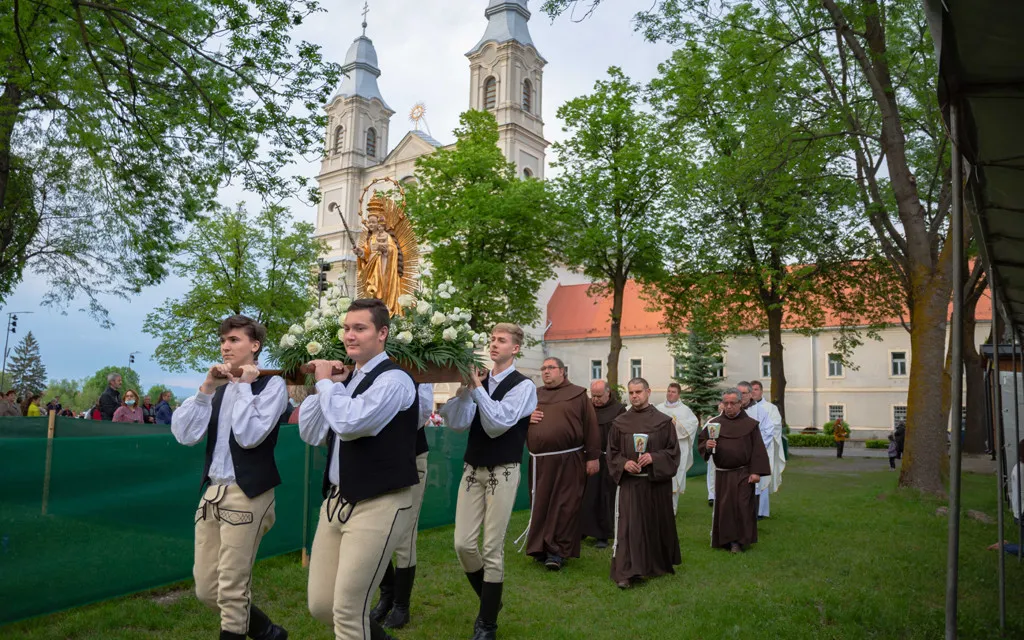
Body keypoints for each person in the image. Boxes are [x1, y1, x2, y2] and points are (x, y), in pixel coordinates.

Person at [299, 298, 419, 640]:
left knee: (348, 611)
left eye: (360, 328)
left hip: (379, 502)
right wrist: (327, 385)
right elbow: (311, 432)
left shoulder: (394, 380)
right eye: (347, 328)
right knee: (322, 606)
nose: (350, 336)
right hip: (337, 500)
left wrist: (326, 384)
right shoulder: (347, 380)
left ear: (382, 333)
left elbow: (351, 424)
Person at [172, 315, 289, 640]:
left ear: (255, 345)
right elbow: (185, 434)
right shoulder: (218, 386)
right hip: (212, 493)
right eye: (223, 340)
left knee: (232, 588)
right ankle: (267, 632)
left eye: (234, 340)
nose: (225, 346)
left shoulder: (272, 385)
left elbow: (250, 435)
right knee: (208, 590)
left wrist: (243, 387)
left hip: (248, 493)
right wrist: (207, 387)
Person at [440, 323, 536, 640]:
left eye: (502, 341)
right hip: (473, 468)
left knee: (492, 548)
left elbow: (497, 424)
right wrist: (468, 390)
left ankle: (486, 624)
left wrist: (478, 388)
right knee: (463, 544)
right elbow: (455, 423)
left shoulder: (524, 387)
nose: (494, 345)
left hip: (503, 470)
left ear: (515, 348)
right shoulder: (478, 381)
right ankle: (491, 602)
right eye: (492, 339)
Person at [523, 357, 601, 571]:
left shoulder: (577, 395)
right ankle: (539, 547)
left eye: (550, 368)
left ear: (562, 371)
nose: (546, 372)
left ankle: (557, 552)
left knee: (564, 505)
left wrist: (593, 456)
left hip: (569, 460)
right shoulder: (534, 395)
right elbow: (516, 419)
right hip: (539, 462)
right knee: (541, 505)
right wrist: (526, 419)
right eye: (543, 368)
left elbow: (591, 425)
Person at [369, 382, 434, 631]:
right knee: (376, 530)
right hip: (377, 457)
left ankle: (401, 605)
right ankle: (387, 595)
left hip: (411, 455)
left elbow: (420, 416)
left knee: (405, 534)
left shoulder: (418, 373)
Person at [607, 378, 680, 589]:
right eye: (631, 392)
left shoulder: (663, 422)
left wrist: (654, 458)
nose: (634, 396)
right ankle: (628, 572)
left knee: (654, 525)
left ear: (648, 392)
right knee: (630, 527)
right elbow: (612, 453)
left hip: (656, 484)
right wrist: (624, 463)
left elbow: (673, 452)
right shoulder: (620, 423)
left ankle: (654, 565)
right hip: (631, 484)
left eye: (638, 391)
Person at [698, 388, 771, 553]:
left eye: (733, 403)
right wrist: (707, 446)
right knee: (725, 507)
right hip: (723, 473)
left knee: (742, 506)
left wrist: (756, 472)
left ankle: (739, 541)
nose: (729, 406)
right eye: (726, 403)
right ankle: (726, 540)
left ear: (740, 404)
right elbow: (701, 443)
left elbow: (758, 450)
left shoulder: (750, 425)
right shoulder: (715, 424)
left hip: (743, 473)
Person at [580, 380, 626, 548]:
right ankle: (583, 529)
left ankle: (603, 534)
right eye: (593, 396)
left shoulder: (619, 410)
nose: (596, 399)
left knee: (605, 496)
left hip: (608, 460)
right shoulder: (588, 409)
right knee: (586, 496)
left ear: (608, 393)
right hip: (587, 458)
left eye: (599, 396)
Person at [655, 382, 699, 515]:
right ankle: (659, 508)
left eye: (673, 392)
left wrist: (677, 424)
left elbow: (693, 424)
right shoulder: (658, 408)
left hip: (678, 449)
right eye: (668, 391)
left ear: (679, 394)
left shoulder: (685, 410)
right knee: (660, 478)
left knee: (676, 477)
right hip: (661, 449)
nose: (670, 394)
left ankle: (672, 510)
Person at [737, 381, 775, 519]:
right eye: (738, 393)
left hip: (752, 455)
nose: (741, 396)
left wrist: (755, 447)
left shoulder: (759, 411)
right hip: (736, 457)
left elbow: (769, 430)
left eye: (744, 393)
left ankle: (751, 516)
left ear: (750, 394)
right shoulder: (733, 409)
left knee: (752, 486)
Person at [706, 401, 724, 508]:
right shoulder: (712, 421)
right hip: (713, 453)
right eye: (720, 409)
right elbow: (704, 437)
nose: (722, 411)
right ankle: (712, 495)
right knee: (712, 473)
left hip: (725, 453)